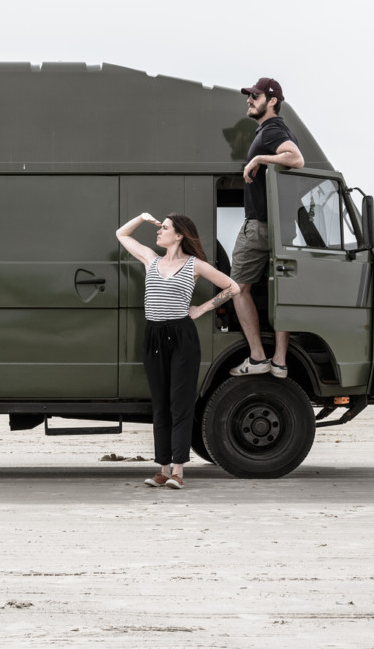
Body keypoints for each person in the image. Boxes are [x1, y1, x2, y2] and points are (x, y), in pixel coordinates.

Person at [116, 212, 240, 489]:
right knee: (160, 405)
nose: (159, 231)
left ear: (180, 235)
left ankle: (179, 472)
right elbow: (121, 235)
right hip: (154, 336)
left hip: (182, 336)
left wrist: (201, 309)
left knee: (180, 404)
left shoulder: (195, 265)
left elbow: (232, 287)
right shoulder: (151, 259)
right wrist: (141, 218)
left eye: (165, 228)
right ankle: (162, 469)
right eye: (160, 227)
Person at [229, 77, 305, 378]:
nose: (249, 100)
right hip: (282, 228)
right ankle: (280, 361)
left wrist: (259, 157)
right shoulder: (276, 130)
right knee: (281, 292)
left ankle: (259, 357)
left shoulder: (273, 129)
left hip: (259, 226)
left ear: (272, 100)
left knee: (238, 288)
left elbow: (296, 159)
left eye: (255, 96)